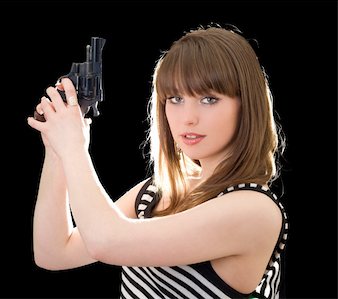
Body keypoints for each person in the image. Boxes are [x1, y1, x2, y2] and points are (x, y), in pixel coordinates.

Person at [27, 25, 288, 299]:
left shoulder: (255, 209)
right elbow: (53, 253)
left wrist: (73, 147)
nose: (188, 117)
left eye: (209, 99)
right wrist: (56, 148)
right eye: (175, 98)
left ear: (246, 105)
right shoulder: (153, 193)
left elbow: (106, 241)